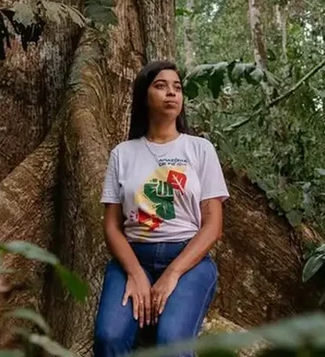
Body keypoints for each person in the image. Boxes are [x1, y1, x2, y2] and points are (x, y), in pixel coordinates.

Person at [93, 60, 229, 357]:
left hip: (187, 260)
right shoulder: (123, 154)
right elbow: (112, 226)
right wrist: (135, 273)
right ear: (144, 96)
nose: (171, 93)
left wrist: (172, 274)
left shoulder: (199, 149)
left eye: (177, 88)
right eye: (161, 86)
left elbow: (213, 224)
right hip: (133, 258)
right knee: (108, 337)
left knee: (171, 343)